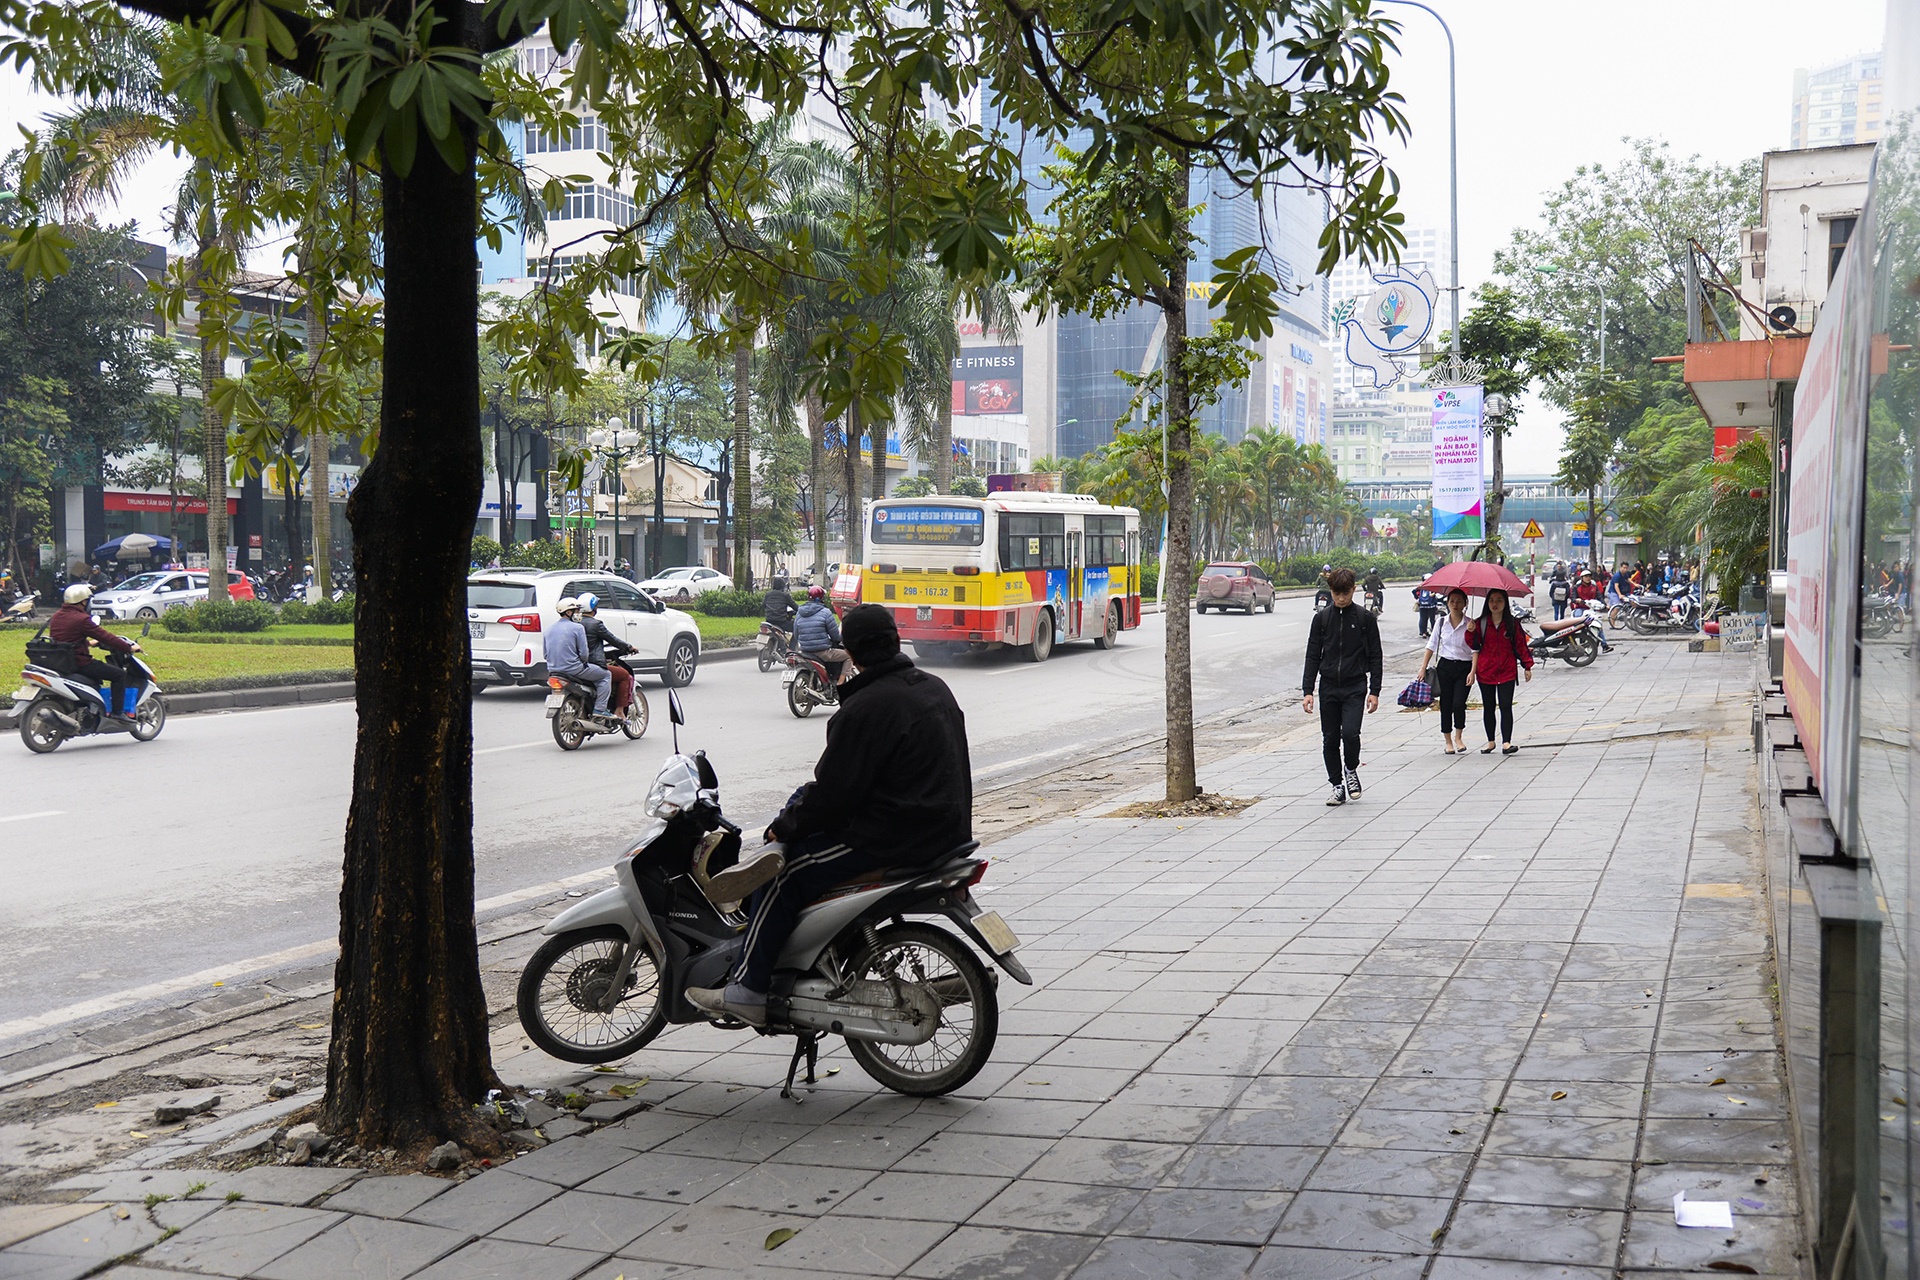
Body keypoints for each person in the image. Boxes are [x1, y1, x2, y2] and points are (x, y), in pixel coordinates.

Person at [687, 604, 972, 1026]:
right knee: (802, 801)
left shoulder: (866, 707)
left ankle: (749, 988)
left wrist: (784, 828)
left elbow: (835, 796)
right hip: (945, 827)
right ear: (896, 640)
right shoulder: (933, 687)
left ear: (850, 652)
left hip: (897, 836)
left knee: (782, 875)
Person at [1301, 568, 1383, 806]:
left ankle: (1350, 769)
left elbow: (1376, 656)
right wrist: (1308, 690)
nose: (1341, 598)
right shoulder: (1322, 619)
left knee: (1350, 733)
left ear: (1353, 590)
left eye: (1345, 593)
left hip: (1355, 686)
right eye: (1336, 593)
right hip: (1328, 686)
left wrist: (1375, 691)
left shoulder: (1365, 619)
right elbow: (1312, 655)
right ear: (1331, 591)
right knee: (1329, 738)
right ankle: (1337, 785)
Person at [47, 584, 144, 720]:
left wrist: (88, 643)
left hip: (60, 661)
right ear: (83, 602)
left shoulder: (56, 616)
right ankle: (118, 713)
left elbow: (66, 640)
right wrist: (129, 647)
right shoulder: (82, 619)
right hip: (79, 662)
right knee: (119, 675)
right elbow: (106, 637)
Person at [1467, 587, 1533, 755]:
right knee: (1489, 707)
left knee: (1505, 706)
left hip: (1507, 671)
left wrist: (1527, 666)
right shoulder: (1480, 623)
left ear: (1505, 603)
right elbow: (1473, 645)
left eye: (1499, 600)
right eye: (1491, 600)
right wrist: (1470, 631)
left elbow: (1521, 645)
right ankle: (1490, 742)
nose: (1495, 604)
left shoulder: (1512, 623)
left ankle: (1506, 742)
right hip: (1485, 671)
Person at [543, 596, 613, 721]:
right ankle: (600, 709)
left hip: (553, 671)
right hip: (574, 669)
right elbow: (584, 654)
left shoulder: (548, 629)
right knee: (606, 675)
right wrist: (582, 662)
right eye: (576, 611)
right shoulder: (577, 628)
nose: (579, 614)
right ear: (568, 612)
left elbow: (545, 655)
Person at [576, 593, 635, 715]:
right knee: (624, 675)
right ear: (593, 608)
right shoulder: (596, 624)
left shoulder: (574, 624)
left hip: (575, 664)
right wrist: (629, 647)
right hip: (593, 664)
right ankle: (619, 710)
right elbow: (613, 639)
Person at [793, 584, 848, 678]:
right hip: (822, 652)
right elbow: (835, 636)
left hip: (805, 651)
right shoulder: (826, 612)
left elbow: (796, 634)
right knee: (849, 656)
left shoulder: (799, 613)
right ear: (821, 598)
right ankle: (841, 683)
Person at [1572, 570, 1613, 652]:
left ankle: (1604, 645)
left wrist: (1605, 605)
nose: (1588, 578)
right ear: (1582, 578)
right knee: (1578, 624)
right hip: (1580, 608)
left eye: (1589, 576)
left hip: (1591, 609)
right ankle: (1574, 643)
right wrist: (1577, 600)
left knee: (1598, 625)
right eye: (1586, 576)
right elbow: (1573, 598)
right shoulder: (1577, 587)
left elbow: (1599, 597)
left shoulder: (1594, 586)